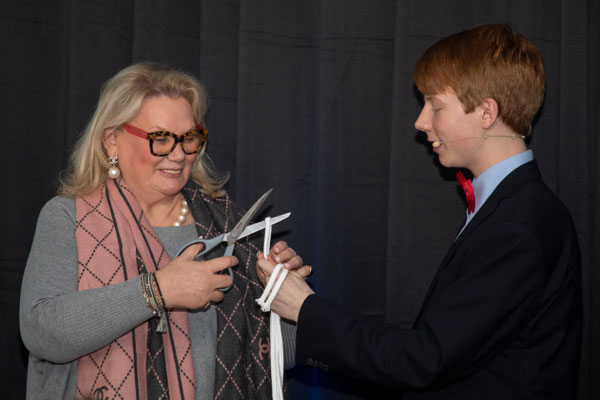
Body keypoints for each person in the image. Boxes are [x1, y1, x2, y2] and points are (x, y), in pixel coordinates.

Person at [256, 23, 582, 399]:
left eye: (436, 106)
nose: (421, 122)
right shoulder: (515, 209)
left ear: (486, 113)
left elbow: (425, 360)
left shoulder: (518, 228)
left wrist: (304, 308)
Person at [19, 62, 308, 400]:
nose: (179, 154)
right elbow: (41, 332)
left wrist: (284, 299)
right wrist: (156, 291)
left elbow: (275, 360)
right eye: (160, 138)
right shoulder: (68, 217)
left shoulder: (229, 222)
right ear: (112, 141)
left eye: (189, 138)